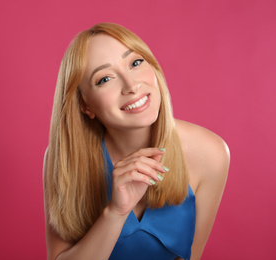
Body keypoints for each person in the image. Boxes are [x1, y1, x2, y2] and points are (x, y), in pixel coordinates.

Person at [43, 23, 229, 260]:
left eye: (135, 63)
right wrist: (115, 213)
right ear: (85, 105)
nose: (131, 86)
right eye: (105, 79)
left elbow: (191, 256)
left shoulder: (210, 153)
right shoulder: (64, 157)